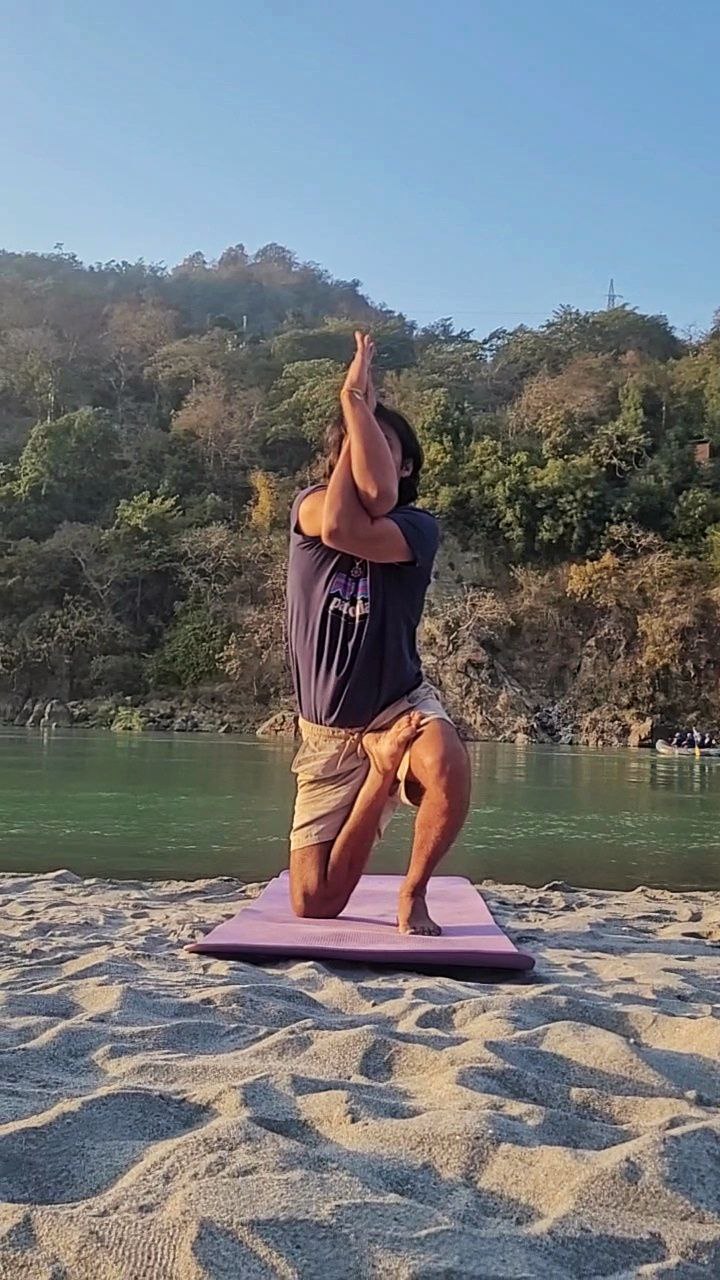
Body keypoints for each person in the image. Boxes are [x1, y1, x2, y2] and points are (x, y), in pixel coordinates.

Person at [285, 331, 471, 936]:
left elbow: (370, 512)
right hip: (327, 731)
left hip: (398, 702)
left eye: (382, 449)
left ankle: (413, 893)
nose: (364, 458)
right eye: (352, 448)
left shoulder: (417, 527)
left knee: (446, 760)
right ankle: (380, 772)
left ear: (408, 464)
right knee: (314, 903)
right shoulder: (310, 506)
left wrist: (356, 402)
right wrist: (353, 406)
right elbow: (338, 521)